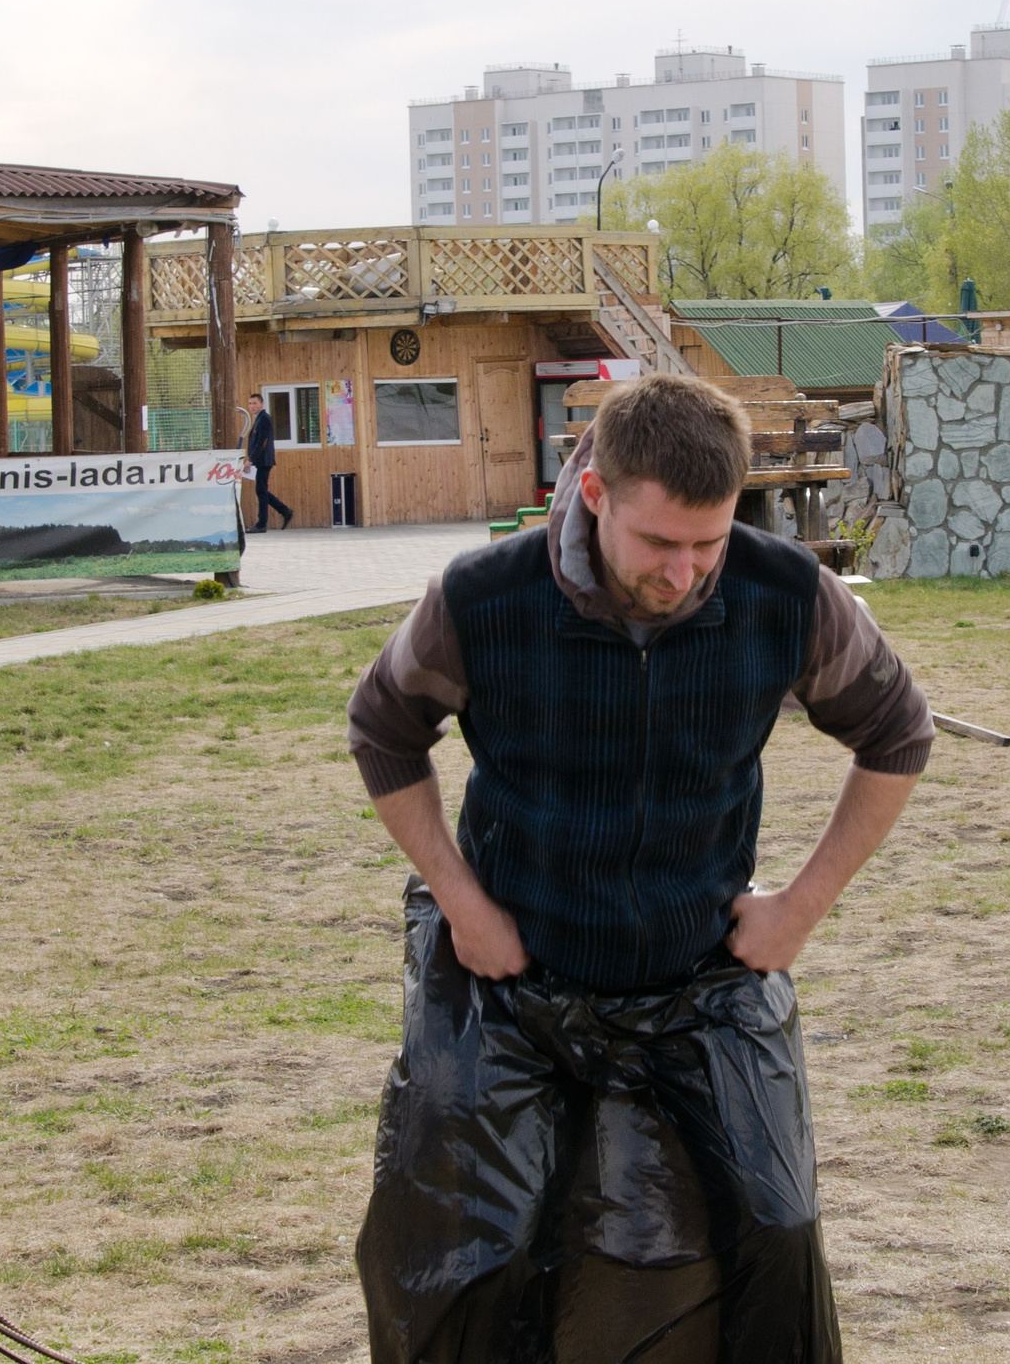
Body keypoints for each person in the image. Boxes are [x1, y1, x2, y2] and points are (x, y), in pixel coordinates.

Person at [347, 373, 931, 1362]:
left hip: (697, 963)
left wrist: (800, 907)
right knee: (465, 1253)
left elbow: (897, 733)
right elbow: (383, 731)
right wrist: (461, 900)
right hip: (514, 959)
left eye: (706, 543)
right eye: (659, 544)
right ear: (594, 495)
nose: (685, 574)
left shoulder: (785, 593)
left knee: (779, 1227)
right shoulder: (482, 598)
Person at [244, 392, 292, 531]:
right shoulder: (259, 419)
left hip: (264, 460)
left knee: (261, 490)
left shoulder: (264, 418)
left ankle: (262, 523)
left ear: (262, 404)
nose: (252, 406)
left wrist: (251, 460)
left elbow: (262, 442)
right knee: (262, 490)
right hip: (261, 460)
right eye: (250, 404)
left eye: (254, 403)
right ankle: (285, 511)